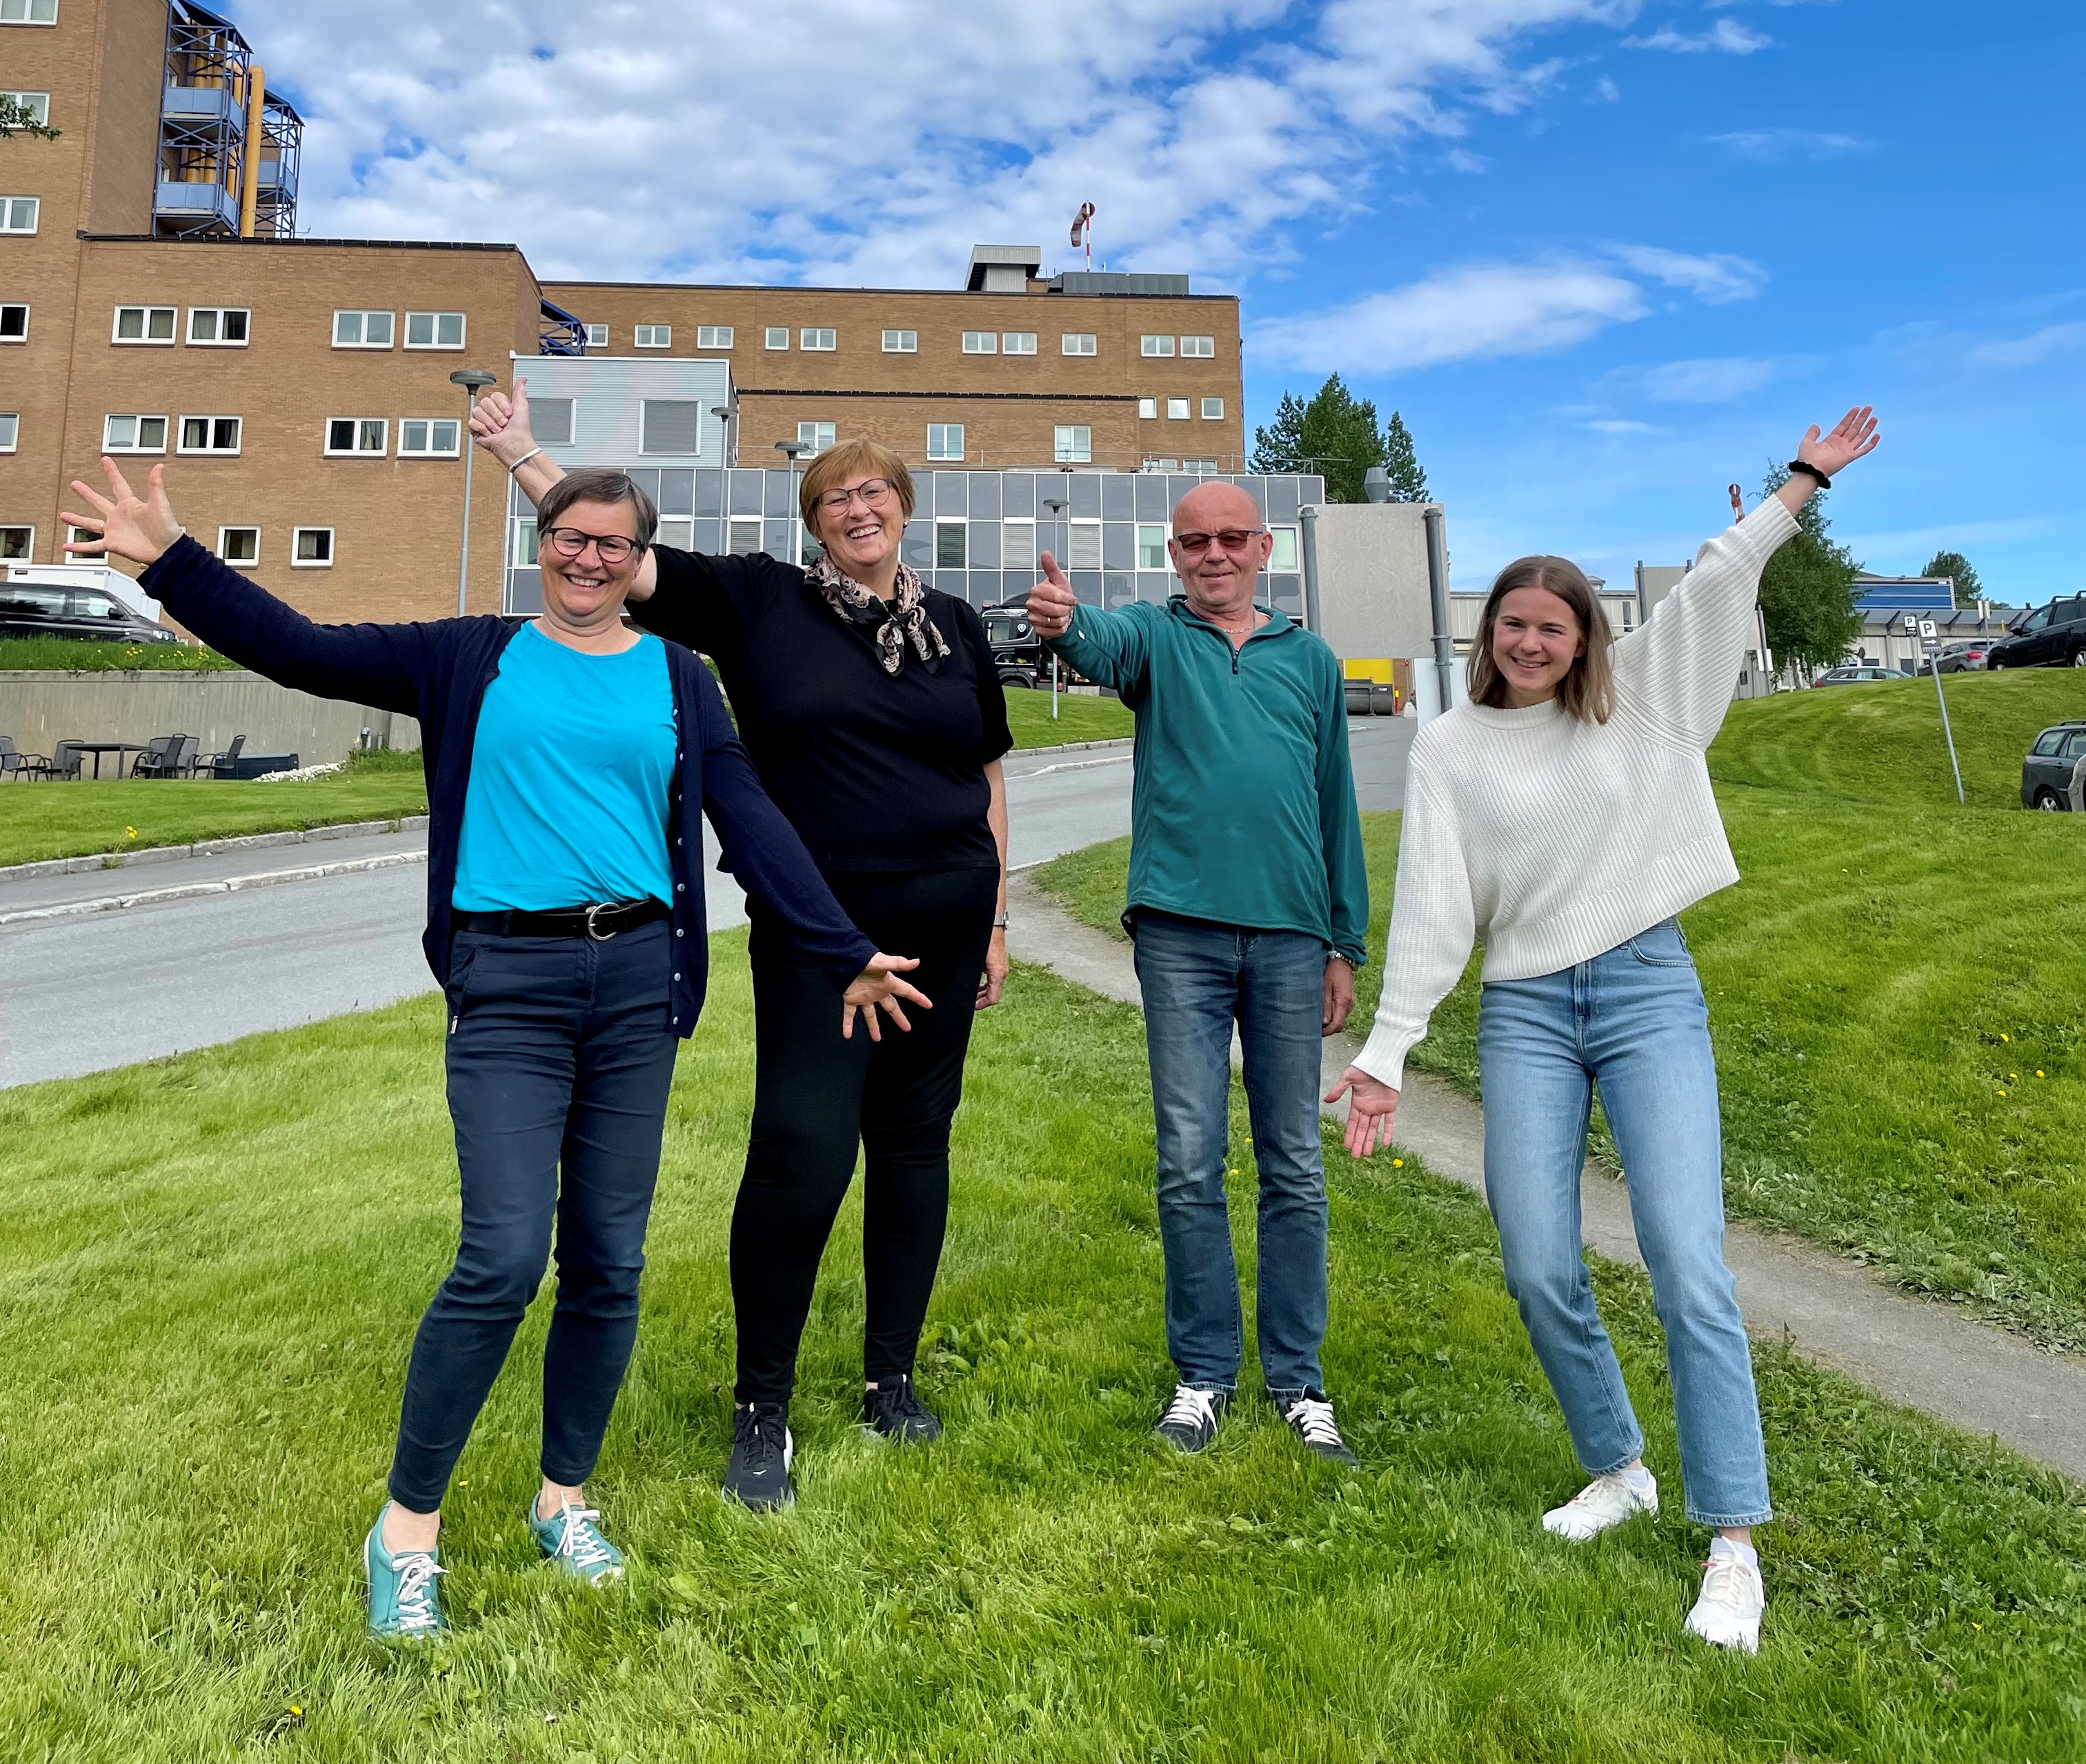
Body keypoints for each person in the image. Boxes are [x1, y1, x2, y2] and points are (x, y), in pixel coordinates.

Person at [62, 454, 924, 1638]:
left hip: (636, 988)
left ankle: (562, 1498)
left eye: (614, 545)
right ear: (546, 542)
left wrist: (839, 944)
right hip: (508, 985)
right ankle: (405, 1529)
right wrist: (173, 562)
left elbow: (750, 821)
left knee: (610, 1263)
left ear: (639, 562)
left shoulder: (682, 678)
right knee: (503, 1256)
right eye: (571, 536)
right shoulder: (469, 655)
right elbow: (304, 650)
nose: (588, 558)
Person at [1325, 410, 1882, 1656]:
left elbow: (1716, 580)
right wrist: (1385, 1053)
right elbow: (1431, 910)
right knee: (1536, 1260)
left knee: (1688, 1261)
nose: (1530, 641)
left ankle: (1731, 1539)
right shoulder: (1454, 750)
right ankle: (1618, 1466)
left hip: (1645, 993)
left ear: (1583, 636)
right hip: (1525, 1010)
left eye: (1553, 625)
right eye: (1512, 625)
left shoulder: (1646, 705)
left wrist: (1800, 484)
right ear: (1489, 639)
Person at [472, 384, 1013, 1513]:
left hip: (953, 919)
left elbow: (986, 775)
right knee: (804, 1149)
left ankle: (891, 1377)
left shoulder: (956, 627)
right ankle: (761, 1406)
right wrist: (525, 451)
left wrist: (999, 915)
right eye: (833, 498)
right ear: (811, 522)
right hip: (827, 933)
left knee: (915, 1146)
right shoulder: (764, 605)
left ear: (905, 507)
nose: (857, 509)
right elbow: (616, 554)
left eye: (873, 491)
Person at [1023, 479, 1367, 1465]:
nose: (1213, 555)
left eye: (1230, 539)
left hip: (1294, 939)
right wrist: (1064, 620)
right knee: (1188, 1159)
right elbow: (1096, 641)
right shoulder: (1154, 641)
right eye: (1193, 542)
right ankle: (1204, 1375)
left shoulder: (1309, 661)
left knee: (1293, 1163)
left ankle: (1300, 1381)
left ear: (1264, 548)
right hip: (1180, 934)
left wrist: (1347, 940)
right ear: (1172, 555)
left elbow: (1336, 802)